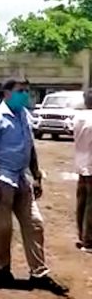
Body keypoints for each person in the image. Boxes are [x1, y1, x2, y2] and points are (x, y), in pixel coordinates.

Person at [0, 78, 67, 294]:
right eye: (21, 91)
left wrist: (37, 176)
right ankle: (2, 271)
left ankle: (39, 273)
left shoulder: (24, 115)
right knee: (2, 228)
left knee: (35, 224)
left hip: (21, 177)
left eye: (27, 91)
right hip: (1, 177)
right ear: (7, 93)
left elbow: (31, 146)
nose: (25, 95)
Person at [73, 89, 92, 252]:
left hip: (81, 164)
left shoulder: (78, 117)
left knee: (82, 202)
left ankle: (81, 235)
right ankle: (89, 240)